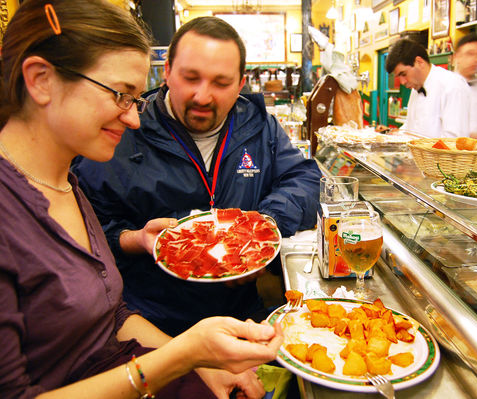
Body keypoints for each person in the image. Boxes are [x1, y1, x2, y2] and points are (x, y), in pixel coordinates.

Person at [0, 2, 283, 399]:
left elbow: (109, 315)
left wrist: (198, 363)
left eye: (136, 99)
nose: (134, 118)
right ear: (41, 79)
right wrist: (182, 357)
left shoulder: (65, 184)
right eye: (121, 95)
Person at [72, 16, 322, 336]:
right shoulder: (121, 131)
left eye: (221, 83)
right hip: (153, 323)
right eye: (191, 78)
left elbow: (305, 179)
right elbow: (83, 235)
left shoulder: (259, 125)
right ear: (167, 73)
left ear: (241, 83)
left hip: (241, 317)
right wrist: (135, 240)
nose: (203, 97)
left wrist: (261, 225)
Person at [385, 38, 471, 138]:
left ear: (419, 62)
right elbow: (410, 128)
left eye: (403, 74)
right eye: (398, 77)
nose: (402, 82)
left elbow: (454, 141)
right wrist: (393, 135)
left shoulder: (452, 85)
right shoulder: (416, 88)